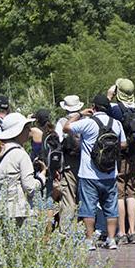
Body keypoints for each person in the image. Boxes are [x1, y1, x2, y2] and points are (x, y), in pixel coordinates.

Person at [64, 94, 127, 250]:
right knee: (111, 208)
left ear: (94, 107)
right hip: (110, 173)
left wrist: (80, 114)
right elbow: (124, 144)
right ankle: (111, 240)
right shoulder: (116, 123)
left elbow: (66, 127)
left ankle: (89, 240)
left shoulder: (88, 123)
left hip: (88, 174)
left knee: (88, 208)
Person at [0, 113, 44, 225]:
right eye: (27, 128)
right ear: (18, 131)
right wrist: (41, 177)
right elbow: (30, 187)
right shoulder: (21, 154)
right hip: (17, 211)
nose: (29, 131)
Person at [108, 79, 135, 245]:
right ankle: (133, 232)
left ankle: (122, 232)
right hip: (134, 155)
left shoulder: (115, 109)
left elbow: (101, 110)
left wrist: (109, 95)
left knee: (120, 193)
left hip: (120, 155)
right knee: (131, 192)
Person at [55, 96, 84, 231]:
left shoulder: (62, 122)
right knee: (84, 197)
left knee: (69, 197)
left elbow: (57, 142)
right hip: (85, 162)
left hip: (68, 163)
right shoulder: (86, 120)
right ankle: (83, 228)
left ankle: (66, 230)